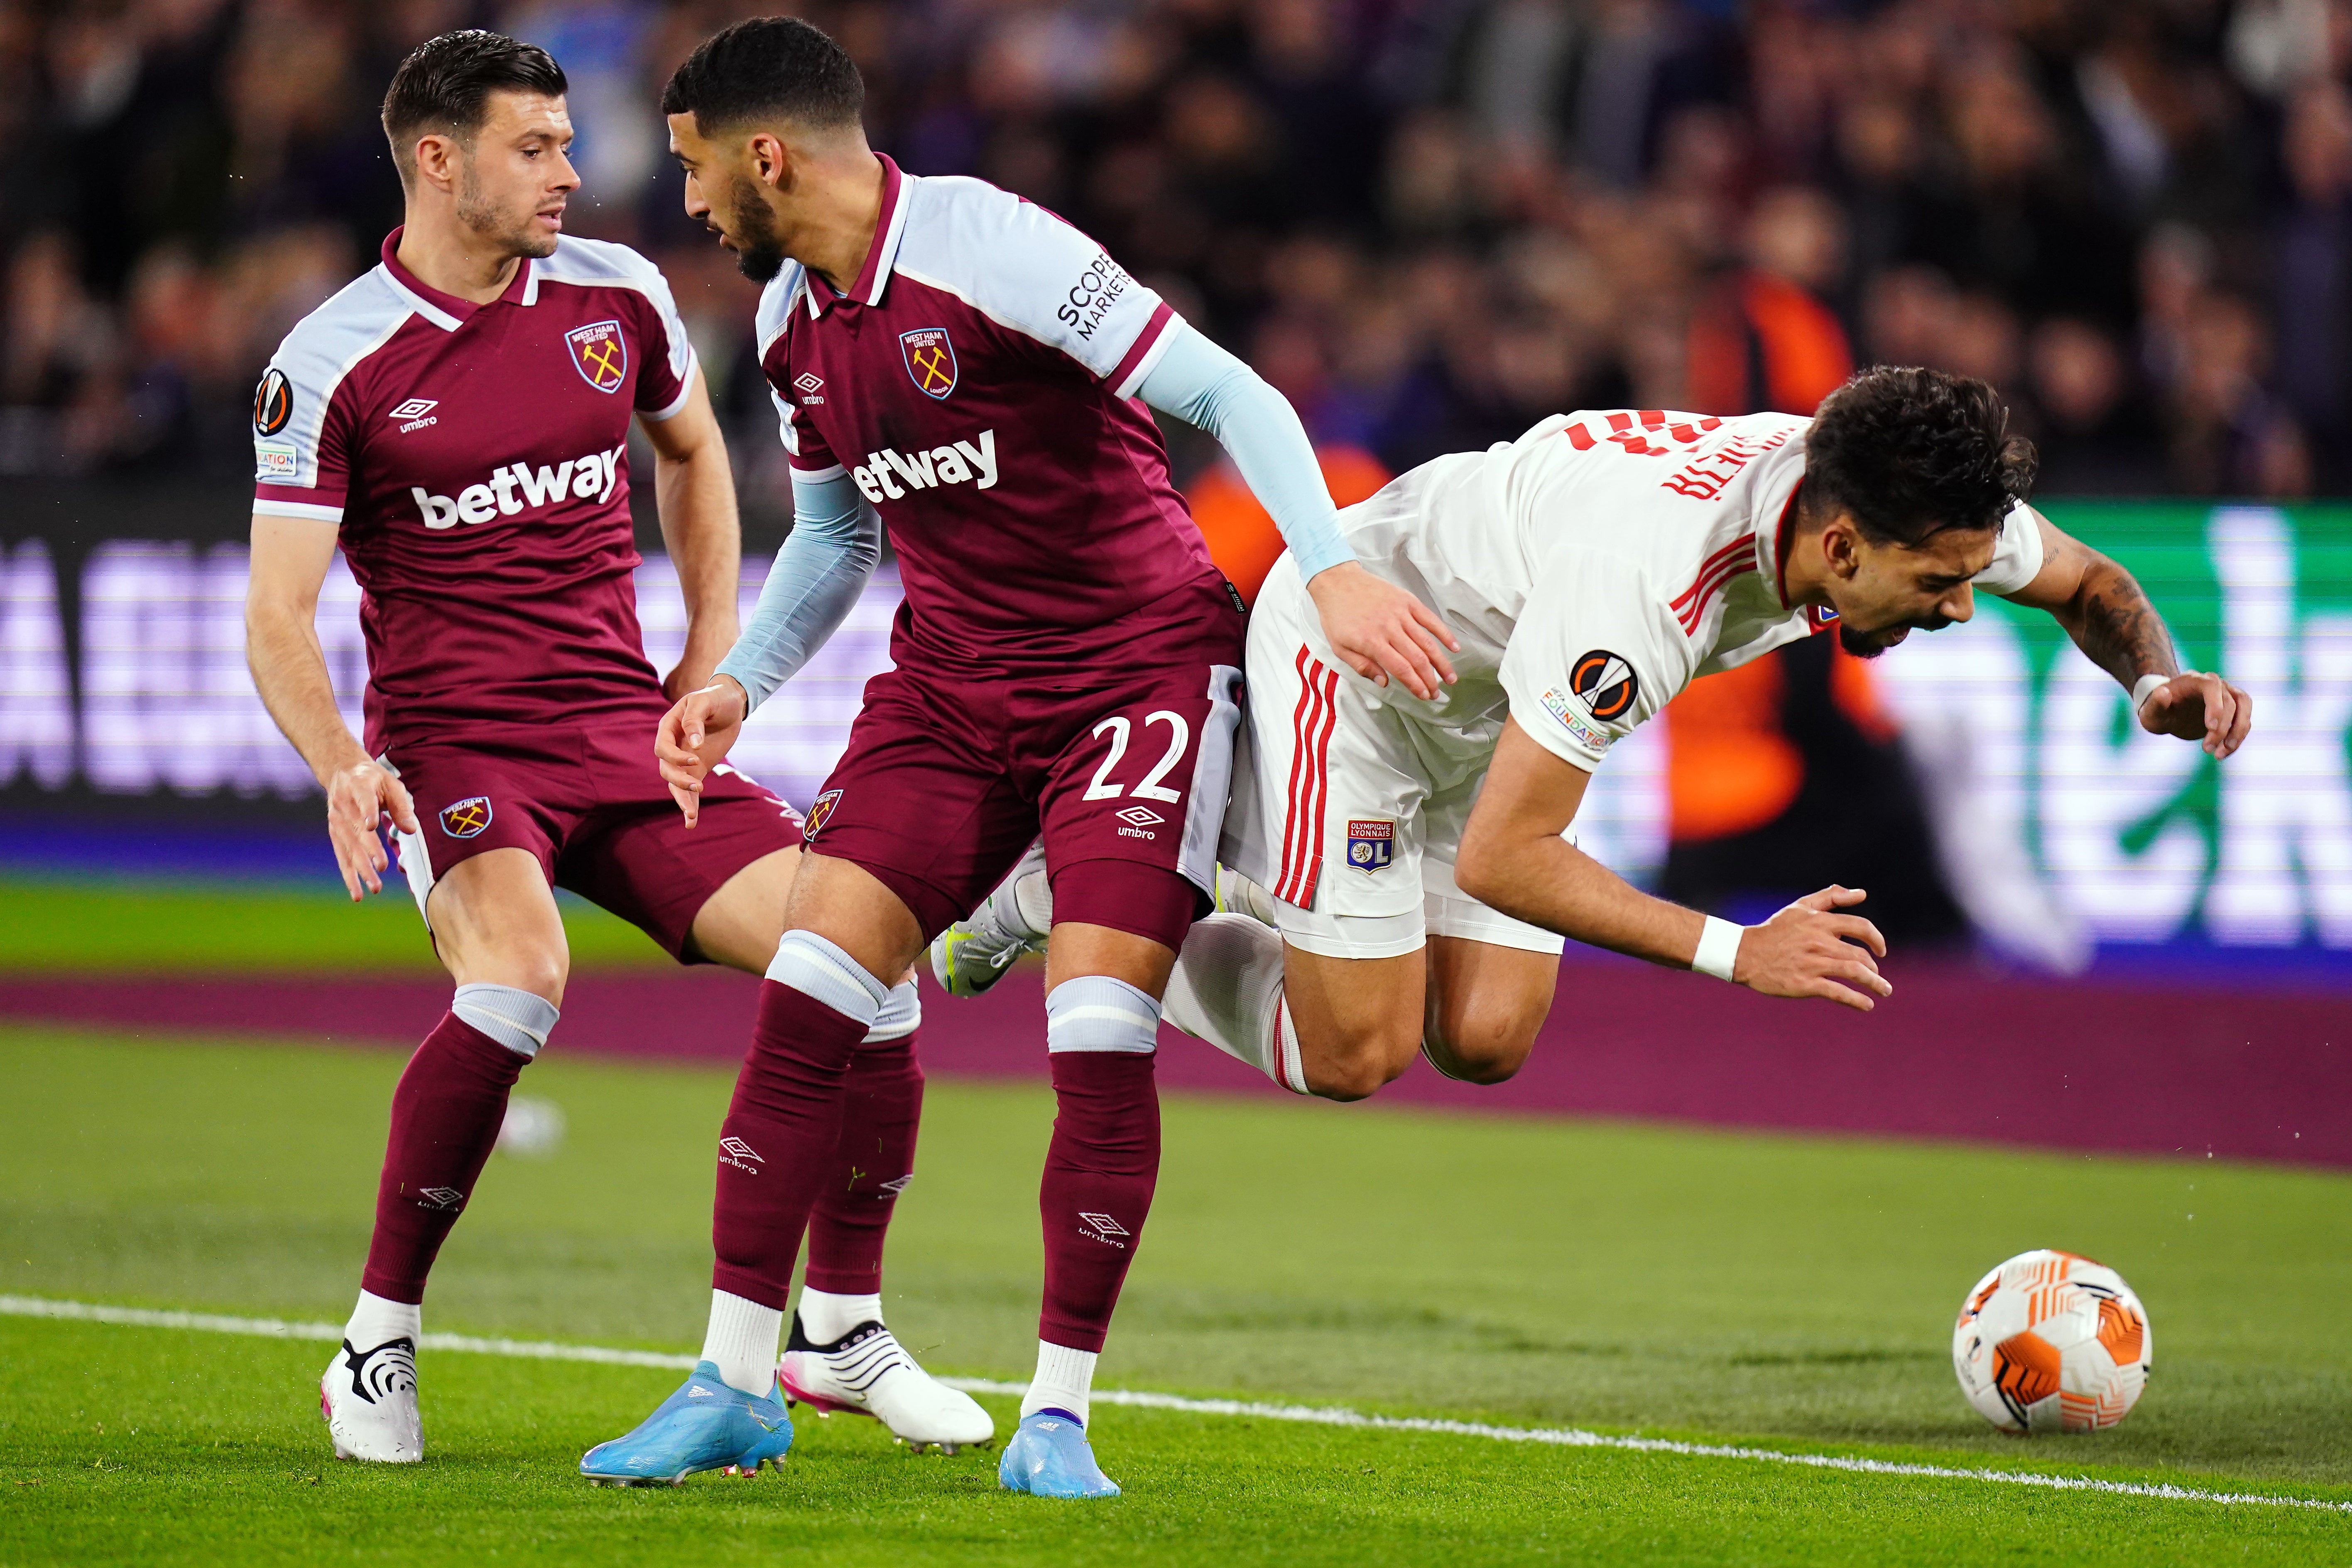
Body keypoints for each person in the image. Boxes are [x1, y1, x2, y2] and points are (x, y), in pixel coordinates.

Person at [581, 17, 1453, 1497]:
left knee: (1096, 1037)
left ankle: (1057, 1414)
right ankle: (732, 1380)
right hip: (950, 694)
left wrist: (1331, 571)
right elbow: (843, 538)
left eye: (694, 169)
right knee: (809, 993)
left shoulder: (993, 247)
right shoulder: (795, 327)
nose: (689, 204)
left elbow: (1234, 395)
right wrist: (737, 681)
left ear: (766, 153)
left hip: (1137, 680)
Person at [244, 30, 983, 1467]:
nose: (572, 173)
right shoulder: (331, 357)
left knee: (868, 953)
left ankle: (839, 1324)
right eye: (538, 147)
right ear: (439, 161)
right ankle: (376, 1342)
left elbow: (695, 457)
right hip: (465, 752)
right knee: (521, 977)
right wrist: (345, 758)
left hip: (622, 733)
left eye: (571, 142)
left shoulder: (618, 293)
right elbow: (278, 609)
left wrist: (707, 664)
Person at [948, 369, 2253, 1101]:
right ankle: (1082, 896)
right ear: (1842, 546)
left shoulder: (1890, 495)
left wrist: (2155, 680)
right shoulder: (1648, 593)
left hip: (1494, 690)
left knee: (1490, 1038)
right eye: (1937, 586)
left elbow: (2088, 583)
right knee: (1356, 1052)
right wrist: (1741, 951)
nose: (1964, 605)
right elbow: (1519, 857)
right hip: (1360, 666)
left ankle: (1249, 879)